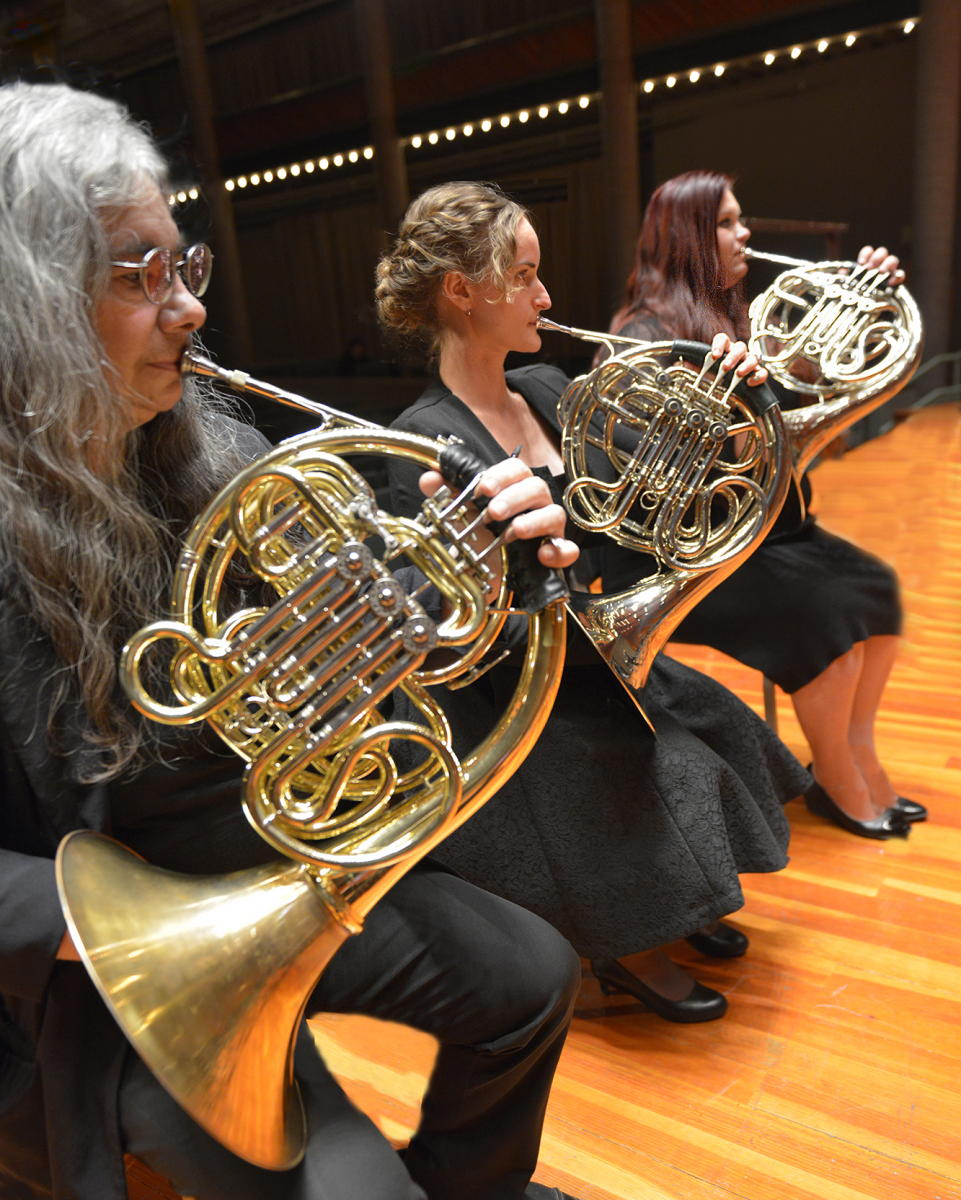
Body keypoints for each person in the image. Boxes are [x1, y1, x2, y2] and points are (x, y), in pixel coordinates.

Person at [0, 82, 586, 1200]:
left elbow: (347, 636)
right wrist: (132, 934)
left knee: (532, 977)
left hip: (287, 861)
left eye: (185, 266)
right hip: (117, 981)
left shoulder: (194, 451)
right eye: (139, 274)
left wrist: (479, 554)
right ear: (26, 302)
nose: (189, 312)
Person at [376, 180, 811, 1026]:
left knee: (709, 721)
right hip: (514, 687)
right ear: (461, 292)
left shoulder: (545, 387)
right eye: (526, 275)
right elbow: (445, 627)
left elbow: (645, 516)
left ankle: (675, 908)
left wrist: (726, 403)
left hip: (593, 650)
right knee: (637, 767)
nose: (545, 296)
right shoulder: (420, 441)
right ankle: (626, 948)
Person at [604, 170, 918, 840]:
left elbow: (802, 417)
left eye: (738, 220)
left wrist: (866, 296)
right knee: (826, 612)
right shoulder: (641, 334)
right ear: (686, 237)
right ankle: (836, 781)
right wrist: (735, 416)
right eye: (725, 223)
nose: (743, 233)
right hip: (698, 553)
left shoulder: (737, 315)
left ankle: (856, 755)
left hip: (769, 534)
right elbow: (655, 479)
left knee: (875, 591)